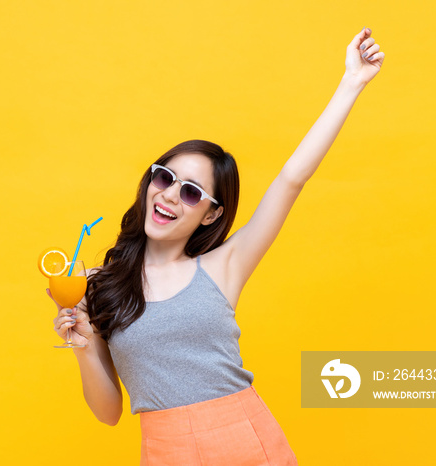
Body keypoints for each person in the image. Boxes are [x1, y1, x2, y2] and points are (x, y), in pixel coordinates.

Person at [48, 27, 384, 465]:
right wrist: (85, 345)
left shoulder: (224, 265)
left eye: (190, 192)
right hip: (165, 450)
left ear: (210, 214)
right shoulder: (96, 287)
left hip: (247, 441)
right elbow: (109, 413)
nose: (169, 195)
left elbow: (291, 179)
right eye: (164, 177)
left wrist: (351, 83)